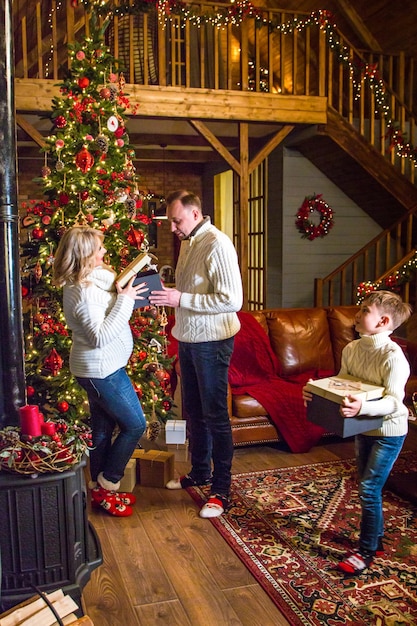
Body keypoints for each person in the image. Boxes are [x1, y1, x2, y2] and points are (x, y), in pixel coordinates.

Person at [303, 290, 412, 575]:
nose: (358, 312)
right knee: (366, 485)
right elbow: (342, 385)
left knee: (368, 488)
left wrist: (362, 404)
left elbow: (393, 401)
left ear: (383, 321)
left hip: (388, 431)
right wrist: (315, 392)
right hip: (362, 428)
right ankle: (375, 541)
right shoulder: (352, 349)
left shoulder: (393, 357)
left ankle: (364, 551)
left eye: (365, 309)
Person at [149, 191, 243, 518]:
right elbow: (190, 291)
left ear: (195, 213)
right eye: (171, 220)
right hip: (189, 339)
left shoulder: (217, 244)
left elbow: (233, 300)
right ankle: (200, 471)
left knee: (216, 414)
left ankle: (221, 490)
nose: (172, 226)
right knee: (193, 410)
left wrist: (181, 299)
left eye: (176, 220)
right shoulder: (188, 241)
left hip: (213, 341)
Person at [53, 226, 148, 517]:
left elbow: (108, 293)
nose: (105, 252)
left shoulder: (93, 282)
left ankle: (98, 488)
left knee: (103, 429)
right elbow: (99, 337)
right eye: (99, 249)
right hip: (102, 371)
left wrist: (123, 288)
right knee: (135, 425)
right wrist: (126, 300)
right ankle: (109, 483)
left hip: (103, 368)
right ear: (85, 255)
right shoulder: (83, 293)